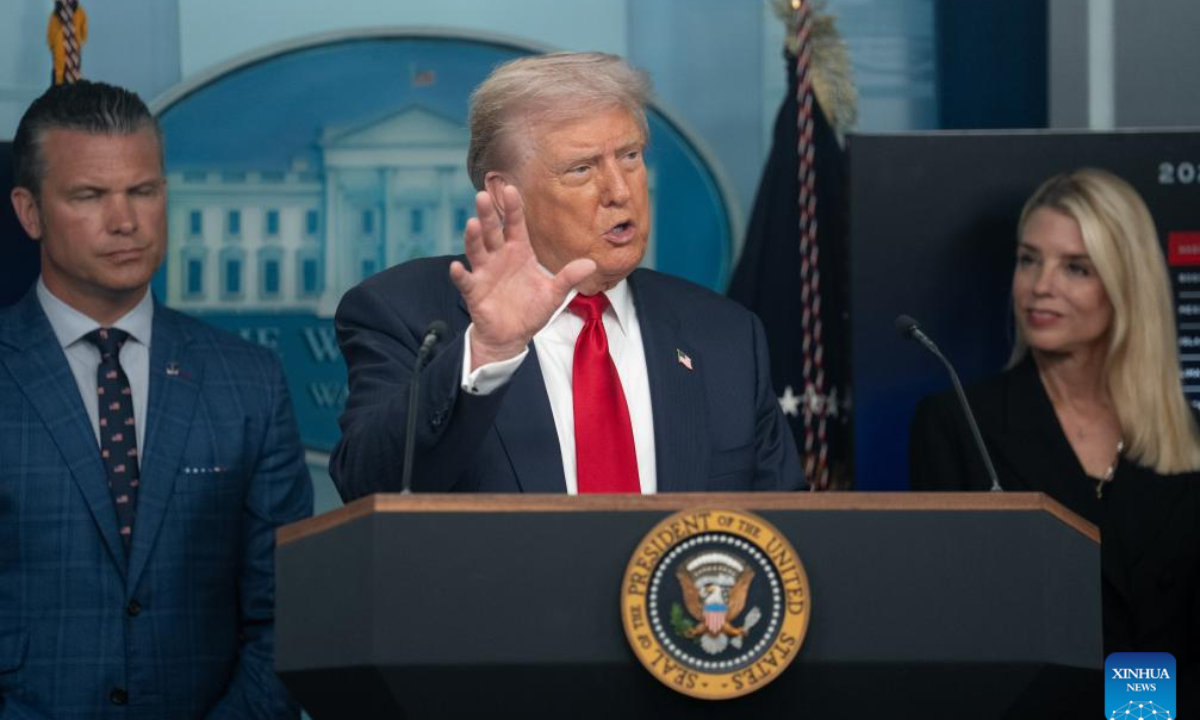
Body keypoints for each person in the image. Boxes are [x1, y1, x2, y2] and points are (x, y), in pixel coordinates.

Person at [330, 52, 803, 498]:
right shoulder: (402, 311)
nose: (620, 191)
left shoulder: (726, 335)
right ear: (503, 192)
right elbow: (368, 486)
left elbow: (783, 536)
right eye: (581, 169)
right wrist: (489, 352)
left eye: (630, 156)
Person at [0, 81, 312, 718]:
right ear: (29, 212)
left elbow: (286, 620)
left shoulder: (249, 381)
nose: (125, 221)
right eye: (89, 196)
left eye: (143, 191)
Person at [909, 168, 1200, 671]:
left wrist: (1141, 708)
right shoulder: (955, 423)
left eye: (1076, 268)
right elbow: (951, 631)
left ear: (1125, 285)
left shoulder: (1190, 438)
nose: (1040, 286)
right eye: (1029, 260)